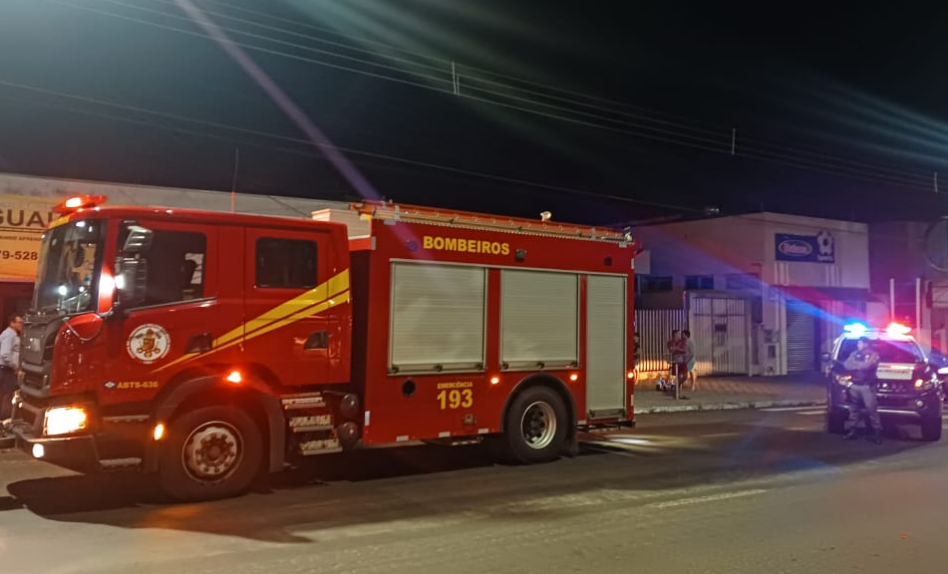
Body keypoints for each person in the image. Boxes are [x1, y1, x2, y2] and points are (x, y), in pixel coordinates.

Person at [842, 336, 882, 444]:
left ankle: (877, 433)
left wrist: (855, 365)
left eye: (860, 343)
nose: (857, 345)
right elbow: (846, 365)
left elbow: (867, 366)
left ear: (865, 344)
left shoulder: (873, 354)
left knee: (871, 409)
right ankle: (852, 431)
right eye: (858, 343)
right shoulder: (854, 353)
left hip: (867, 386)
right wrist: (858, 365)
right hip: (854, 385)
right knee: (853, 409)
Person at [0, 314, 23, 429]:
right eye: (19, 322)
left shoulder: (10, 334)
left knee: (7, 395)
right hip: (7, 370)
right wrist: (15, 367)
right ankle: (5, 422)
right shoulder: (10, 335)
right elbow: (5, 354)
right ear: (12, 323)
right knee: (8, 396)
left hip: (6, 369)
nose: (21, 325)